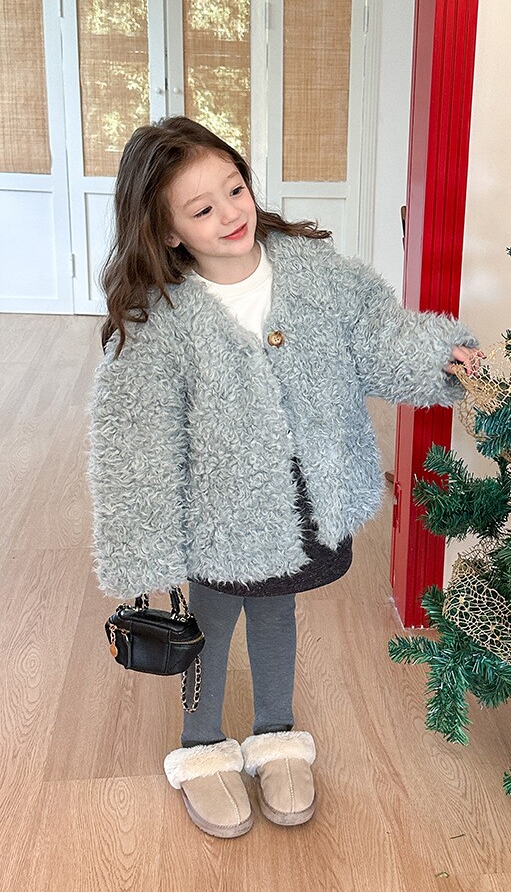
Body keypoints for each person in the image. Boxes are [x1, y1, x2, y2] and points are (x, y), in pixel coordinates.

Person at [87, 116, 483, 840]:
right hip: (218, 511)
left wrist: (437, 356)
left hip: (304, 493)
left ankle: (276, 735)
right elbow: (135, 441)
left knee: (277, 612)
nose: (230, 214)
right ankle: (202, 746)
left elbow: (378, 335)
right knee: (210, 622)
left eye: (234, 190)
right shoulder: (158, 321)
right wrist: (144, 545)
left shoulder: (312, 272)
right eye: (202, 209)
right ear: (168, 231)